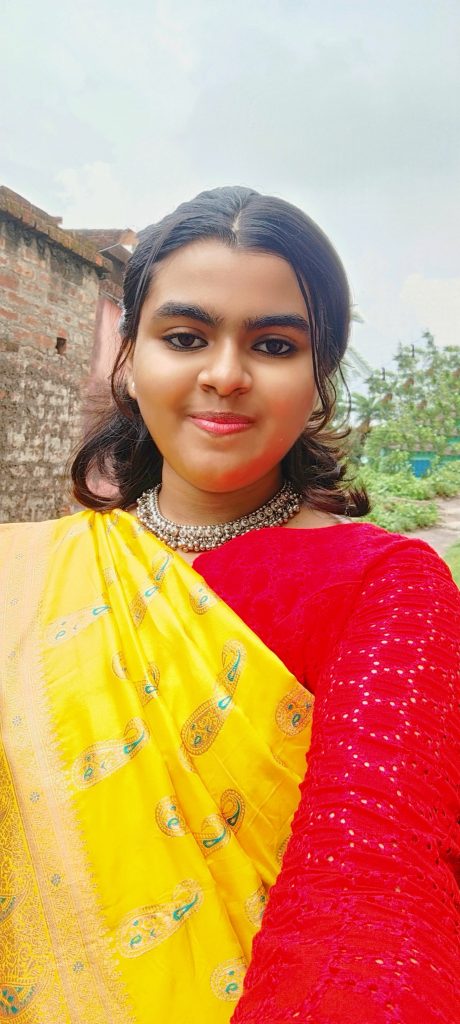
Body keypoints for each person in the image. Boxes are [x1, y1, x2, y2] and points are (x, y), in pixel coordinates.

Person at [0, 186, 458, 1024]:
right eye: (184, 336)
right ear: (129, 362)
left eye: (274, 344)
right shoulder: (23, 577)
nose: (224, 373)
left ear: (316, 381)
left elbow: (376, 887)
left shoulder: (386, 586)